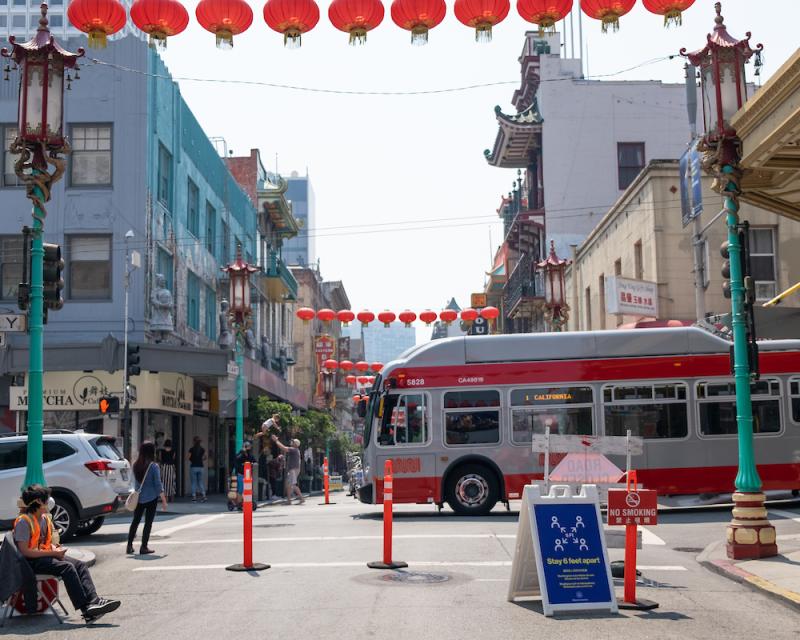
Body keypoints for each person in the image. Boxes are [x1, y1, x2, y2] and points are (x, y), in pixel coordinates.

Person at [14, 485, 121, 622]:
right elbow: (25, 551)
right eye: (46, 498)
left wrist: (55, 550)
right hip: (30, 562)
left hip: (45, 555)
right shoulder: (24, 522)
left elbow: (44, 542)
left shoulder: (44, 518)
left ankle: (94, 601)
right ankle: (86, 610)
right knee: (67, 567)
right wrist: (52, 553)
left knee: (80, 565)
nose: (49, 501)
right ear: (39, 501)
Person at [127, 441, 168, 555]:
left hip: (138, 498)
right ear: (152, 452)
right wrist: (164, 500)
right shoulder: (153, 466)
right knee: (148, 523)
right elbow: (158, 485)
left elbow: (135, 483)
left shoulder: (136, 464)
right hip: (151, 498)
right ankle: (143, 547)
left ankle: (129, 546)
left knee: (135, 521)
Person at [271, 435, 304, 504]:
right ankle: (289, 500)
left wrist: (276, 440)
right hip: (293, 469)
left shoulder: (293, 449)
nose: (291, 442)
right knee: (289, 485)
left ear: (295, 444)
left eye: (293, 442)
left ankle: (301, 498)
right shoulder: (295, 450)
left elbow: (283, 448)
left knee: (293, 485)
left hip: (293, 470)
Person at [234, 441, 256, 510]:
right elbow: (237, 461)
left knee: (248, 490)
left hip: (248, 475)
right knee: (241, 490)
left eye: (250, 447)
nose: (249, 448)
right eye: (248, 447)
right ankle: (239, 504)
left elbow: (254, 460)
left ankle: (247, 502)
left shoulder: (249, 455)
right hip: (241, 474)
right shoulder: (240, 454)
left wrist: (254, 463)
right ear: (245, 447)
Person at [188, 436, 207, 503]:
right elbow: (205, 457)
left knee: (193, 483)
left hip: (193, 466)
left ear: (194, 441)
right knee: (200, 482)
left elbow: (188, 457)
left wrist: (192, 459)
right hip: (201, 467)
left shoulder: (191, 449)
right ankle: (204, 496)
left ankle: (194, 497)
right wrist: (201, 459)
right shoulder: (202, 449)